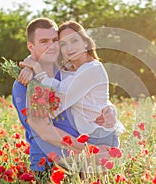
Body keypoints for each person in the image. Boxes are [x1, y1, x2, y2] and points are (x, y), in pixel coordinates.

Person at [12, 17, 116, 172]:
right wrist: (90, 150)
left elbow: (91, 97)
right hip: (50, 164)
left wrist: (110, 110)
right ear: (30, 46)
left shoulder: (66, 73)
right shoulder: (26, 84)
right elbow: (45, 131)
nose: (51, 46)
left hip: (84, 162)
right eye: (44, 41)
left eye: (55, 41)